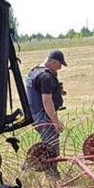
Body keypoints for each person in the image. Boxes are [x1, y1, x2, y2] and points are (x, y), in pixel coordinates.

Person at [25, 49, 67, 178]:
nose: (60, 68)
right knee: (52, 147)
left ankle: (28, 168)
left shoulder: (34, 71)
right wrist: (55, 122)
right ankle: (53, 177)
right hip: (44, 116)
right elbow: (47, 101)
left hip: (34, 114)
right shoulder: (46, 77)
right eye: (60, 65)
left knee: (46, 145)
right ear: (53, 62)